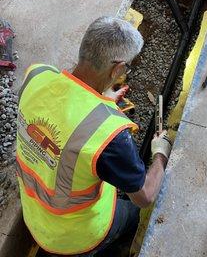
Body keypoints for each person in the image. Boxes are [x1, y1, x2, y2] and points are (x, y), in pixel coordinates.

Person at [16, 17, 172, 256]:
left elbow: (60, 111)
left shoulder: (36, 76)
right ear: (118, 69)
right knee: (132, 213)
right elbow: (145, 196)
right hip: (76, 237)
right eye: (126, 68)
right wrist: (160, 153)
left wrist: (97, 100)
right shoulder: (112, 137)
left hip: (35, 214)